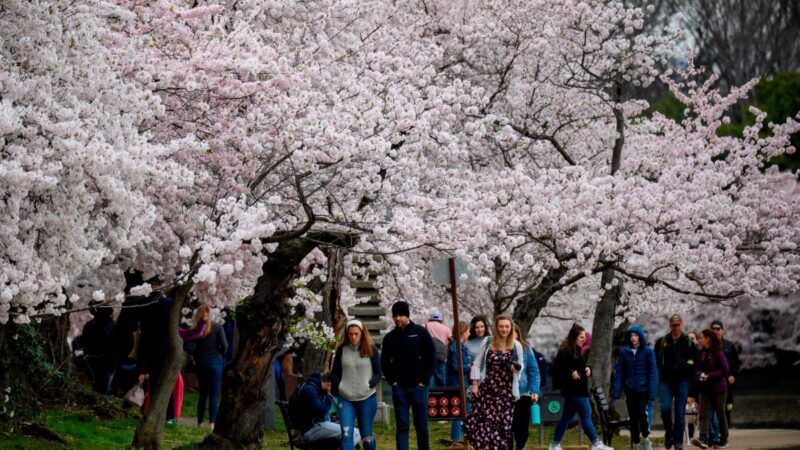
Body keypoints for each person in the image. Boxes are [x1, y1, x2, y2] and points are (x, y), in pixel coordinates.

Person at [381, 300, 436, 450]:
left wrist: (424, 380)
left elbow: (431, 356)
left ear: (407, 315)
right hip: (400, 389)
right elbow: (384, 362)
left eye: (400, 315)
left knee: (421, 425)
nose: (397, 318)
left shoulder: (420, 332)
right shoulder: (390, 338)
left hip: (419, 387)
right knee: (402, 426)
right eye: (395, 316)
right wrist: (392, 381)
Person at [464, 314, 524, 450]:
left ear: (511, 327)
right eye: (501, 326)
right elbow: (477, 363)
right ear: (496, 327)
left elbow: (520, 367)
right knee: (481, 429)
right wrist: (474, 384)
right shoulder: (488, 342)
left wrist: (515, 369)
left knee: (502, 432)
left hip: (505, 394)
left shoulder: (516, 345)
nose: (504, 329)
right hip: (487, 391)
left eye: (507, 326)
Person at [549, 324, 612, 450]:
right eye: (581, 337)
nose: (584, 339)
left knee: (566, 418)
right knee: (586, 415)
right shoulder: (565, 351)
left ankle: (554, 444)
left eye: (584, 337)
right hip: (575, 391)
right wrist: (570, 373)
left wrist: (588, 369)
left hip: (577, 391)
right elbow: (558, 369)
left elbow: (580, 367)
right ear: (574, 337)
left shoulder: (577, 350)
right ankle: (596, 443)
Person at [331, 319, 380, 450]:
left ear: (362, 333)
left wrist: (369, 384)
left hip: (367, 398)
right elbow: (334, 373)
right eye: (350, 334)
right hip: (346, 398)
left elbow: (378, 373)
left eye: (356, 333)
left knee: (366, 437)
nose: (353, 337)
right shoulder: (342, 350)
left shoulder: (371, 349)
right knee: (347, 435)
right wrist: (340, 386)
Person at [654, 314, 697, 450]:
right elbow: (656, 359)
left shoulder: (687, 341)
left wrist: (685, 367)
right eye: (673, 325)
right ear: (670, 325)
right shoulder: (662, 341)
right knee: (665, 408)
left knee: (679, 412)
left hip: (682, 381)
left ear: (682, 324)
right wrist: (662, 369)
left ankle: (678, 441)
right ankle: (669, 434)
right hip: (666, 381)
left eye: (678, 325)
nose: (676, 327)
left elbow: (694, 359)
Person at [612, 326, 658, 450]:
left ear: (640, 337)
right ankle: (636, 443)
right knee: (633, 418)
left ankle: (646, 438)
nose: (633, 338)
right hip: (630, 390)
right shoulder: (623, 352)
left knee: (642, 414)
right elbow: (620, 372)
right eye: (631, 335)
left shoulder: (648, 352)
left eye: (636, 335)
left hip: (643, 390)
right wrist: (616, 391)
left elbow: (653, 372)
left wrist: (652, 391)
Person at [187, 305, 228, 429]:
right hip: (215, 362)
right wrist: (219, 352)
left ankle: (200, 422)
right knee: (214, 395)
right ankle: (212, 423)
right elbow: (225, 346)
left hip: (202, 363)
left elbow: (189, 348)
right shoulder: (217, 327)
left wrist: (196, 353)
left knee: (203, 394)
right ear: (210, 314)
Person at [691, 329, 730, 449]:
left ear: (708, 339)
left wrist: (710, 376)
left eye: (702, 337)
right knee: (704, 413)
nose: (700, 340)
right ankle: (703, 438)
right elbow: (696, 368)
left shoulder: (718, 352)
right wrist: (699, 376)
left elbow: (725, 370)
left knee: (720, 413)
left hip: (718, 388)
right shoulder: (701, 353)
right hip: (704, 388)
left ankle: (724, 438)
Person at [292, 371, 353, 445]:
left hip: (313, 427)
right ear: (329, 383)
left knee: (348, 433)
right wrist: (329, 395)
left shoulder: (313, 388)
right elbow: (322, 411)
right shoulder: (310, 390)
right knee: (353, 433)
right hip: (311, 430)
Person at [708, 320, 741, 447]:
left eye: (718, 329)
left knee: (725, 411)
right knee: (712, 411)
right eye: (713, 329)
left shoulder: (729, 346)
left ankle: (724, 437)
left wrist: (733, 375)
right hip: (712, 385)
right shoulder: (708, 347)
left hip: (727, 385)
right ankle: (713, 435)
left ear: (722, 330)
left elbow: (735, 363)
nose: (716, 331)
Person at [510, 322, 541, 450]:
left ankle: (519, 447)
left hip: (523, 394)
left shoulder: (526, 348)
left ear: (518, 334)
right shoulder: (500, 349)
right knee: (508, 427)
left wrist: (534, 391)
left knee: (522, 428)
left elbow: (534, 371)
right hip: (505, 394)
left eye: (513, 332)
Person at [445, 320, 472, 445]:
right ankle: (455, 441)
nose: (470, 333)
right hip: (456, 384)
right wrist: (471, 367)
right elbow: (457, 366)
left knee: (466, 414)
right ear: (463, 332)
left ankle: (464, 441)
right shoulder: (455, 347)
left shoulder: (461, 347)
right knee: (458, 415)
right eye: (468, 331)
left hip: (463, 384)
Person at [82, 301, 116, 396]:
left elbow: (84, 343)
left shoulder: (90, 325)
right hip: (106, 360)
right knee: (104, 386)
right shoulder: (112, 325)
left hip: (94, 359)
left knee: (98, 385)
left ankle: (100, 401)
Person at [423, 309, 451, 387]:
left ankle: (431, 396)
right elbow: (448, 342)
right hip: (441, 357)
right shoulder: (446, 329)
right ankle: (442, 395)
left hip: (428, 356)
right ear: (441, 320)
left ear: (430, 319)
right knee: (441, 377)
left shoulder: (425, 326)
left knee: (430, 375)